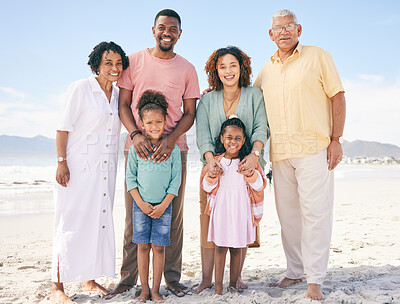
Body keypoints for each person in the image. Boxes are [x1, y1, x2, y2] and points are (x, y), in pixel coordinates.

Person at [106, 9, 200, 299]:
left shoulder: (187, 68)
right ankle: (127, 279)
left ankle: (171, 279)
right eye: (162, 28)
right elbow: (123, 105)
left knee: (173, 218)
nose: (167, 33)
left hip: (174, 151)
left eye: (173, 29)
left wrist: (172, 138)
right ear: (153, 29)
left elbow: (189, 113)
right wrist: (135, 135)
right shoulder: (134, 61)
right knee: (135, 218)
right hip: (137, 150)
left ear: (180, 34)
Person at [254, 9, 346, 301]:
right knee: (289, 219)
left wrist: (336, 139)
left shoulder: (318, 56)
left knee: (315, 216)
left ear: (299, 30)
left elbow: (337, 96)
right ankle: (295, 270)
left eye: (289, 26)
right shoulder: (266, 68)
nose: (283, 32)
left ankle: (315, 280)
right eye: (278, 28)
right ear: (270, 34)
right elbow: (249, 100)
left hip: (314, 150)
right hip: (280, 154)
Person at [50, 41, 129, 303]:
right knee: (69, 222)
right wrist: (62, 162)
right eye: (109, 63)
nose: (114, 68)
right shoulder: (80, 89)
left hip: (105, 170)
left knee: (99, 221)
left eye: (119, 63)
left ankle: (89, 279)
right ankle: (57, 286)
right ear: (97, 64)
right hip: (76, 169)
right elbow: (63, 129)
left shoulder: (118, 96)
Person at [195, 46, 269, 294]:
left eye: (233, 65)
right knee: (209, 222)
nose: (228, 71)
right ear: (216, 70)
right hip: (214, 170)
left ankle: (236, 278)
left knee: (242, 223)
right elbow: (203, 133)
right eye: (222, 66)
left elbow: (261, 127)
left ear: (242, 68)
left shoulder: (254, 94)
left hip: (247, 168)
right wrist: (209, 160)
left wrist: (254, 154)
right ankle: (207, 279)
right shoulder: (207, 99)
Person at [126, 90, 181, 302]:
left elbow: (175, 181)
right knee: (142, 247)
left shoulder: (172, 149)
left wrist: (163, 205)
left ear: (166, 120)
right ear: (141, 123)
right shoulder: (136, 149)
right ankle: (145, 290)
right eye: (149, 123)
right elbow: (131, 179)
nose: (154, 126)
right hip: (141, 206)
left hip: (163, 206)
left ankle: (156, 290)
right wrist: (140, 203)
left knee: (159, 247)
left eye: (159, 121)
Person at [200, 117, 266, 295]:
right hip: (222, 208)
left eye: (238, 138)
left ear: (244, 140)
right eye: (229, 137)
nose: (233, 142)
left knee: (237, 248)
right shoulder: (216, 161)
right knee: (220, 247)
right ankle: (219, 287)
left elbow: (260, 185)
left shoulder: (248, 162)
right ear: (222, 138)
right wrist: (212, 175)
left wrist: (251, 174)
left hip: (240, 208)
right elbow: (206, 187)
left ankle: (233, 285)